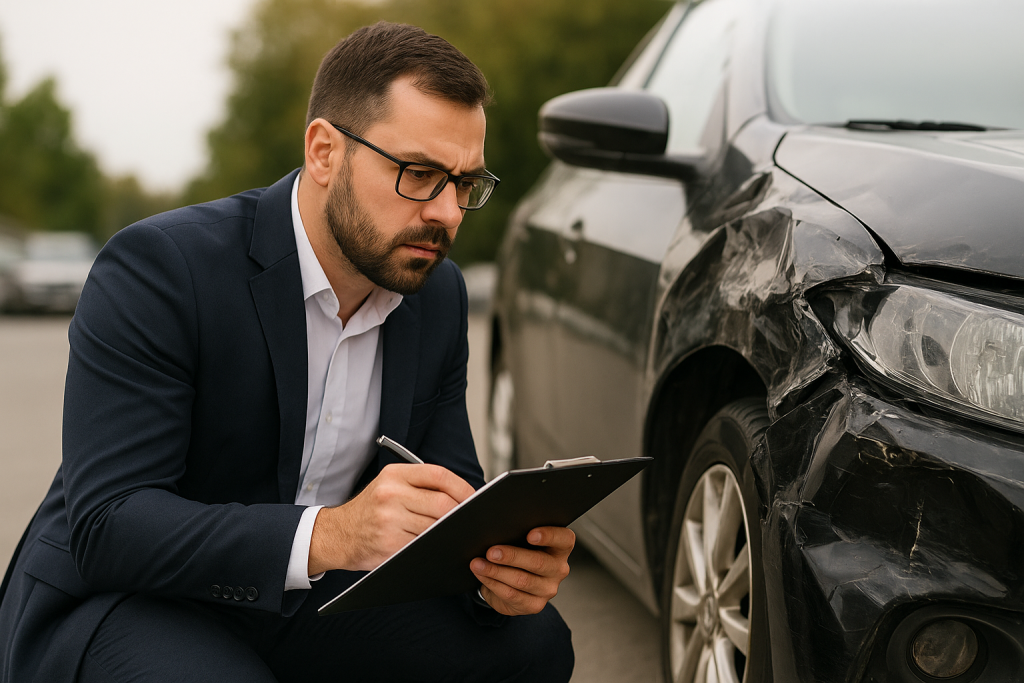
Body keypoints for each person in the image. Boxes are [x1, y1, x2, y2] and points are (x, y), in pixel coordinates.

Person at [0, 22, 575, 683]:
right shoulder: (160, 268)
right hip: (127, 596)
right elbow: (110, 524)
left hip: (311, 596)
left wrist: (495, 569)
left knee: (533, 643)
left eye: (465, 182)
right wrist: (331, 533)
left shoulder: (435, 292)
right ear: (325, 152)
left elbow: (445, 491)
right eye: (419, 174)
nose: (447, 212)